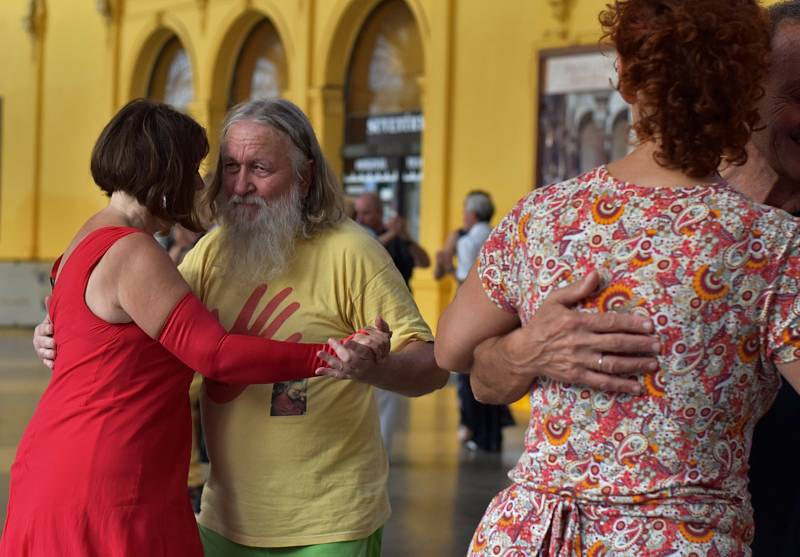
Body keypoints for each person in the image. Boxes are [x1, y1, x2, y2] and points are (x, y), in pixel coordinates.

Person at [436, 1, 800, 554]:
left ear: (626, 80)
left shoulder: (544, 215)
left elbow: (450, 349)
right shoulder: (771, 245)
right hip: (678, 539)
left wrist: (522, 347)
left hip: (533, 533)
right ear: (749, 90)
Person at [34, 98, 446, 556]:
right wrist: (59, 331)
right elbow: (155, 332)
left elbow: (432, 365)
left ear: (304, 175)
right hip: (224, 518)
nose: (240, 185)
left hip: (326, 524)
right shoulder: (210, 253)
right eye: (230, 167)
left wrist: (371, 369)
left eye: (260, 168)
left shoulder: (354, 252)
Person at [353, 190, 433, 458]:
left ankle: (382, 449)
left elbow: (425, 261)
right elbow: (370, 250)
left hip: (397, 314)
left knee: (388, 394)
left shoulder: (394, 237)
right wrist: (390, 234)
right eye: (359, 212)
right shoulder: (360, 238)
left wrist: (405, 236)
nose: (361, 217)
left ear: (378, 212)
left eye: (366, 212)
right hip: (364, 317)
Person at [434, 191, 514, 452]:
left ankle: (477, 433)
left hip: (474, 314)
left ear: (473, 214)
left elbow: (466, 282)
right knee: (495, 368)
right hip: (503, 315)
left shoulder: (467, 242)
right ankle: (493, 433)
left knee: (469, 377)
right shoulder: (500, 234)